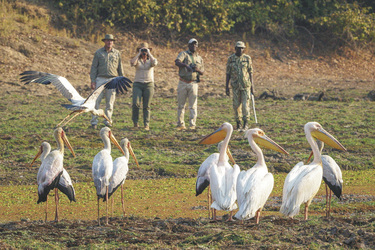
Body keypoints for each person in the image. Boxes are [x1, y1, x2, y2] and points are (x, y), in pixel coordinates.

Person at [89, 34, 124, 129]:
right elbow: (94, 67)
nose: (109, 42)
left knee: (110, 102)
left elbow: (120, 67)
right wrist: (93, 80)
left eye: (111, 41)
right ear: (104, 41)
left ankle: (108, 121)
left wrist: (121, 80)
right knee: (96, 101)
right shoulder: (98, 53)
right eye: (108, 40)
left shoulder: (117, 53)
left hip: (113, 79)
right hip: (100, 79)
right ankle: (94, 122)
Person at [175, 38, 204, 130]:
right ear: (189, 45)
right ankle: (181, 124)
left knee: (193, 105)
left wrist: (197, 70)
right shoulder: (184, 54)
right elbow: (177, 62)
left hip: (193, 83)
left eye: (195, 45)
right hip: (183, 82)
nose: (194, 46)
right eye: (192, 44)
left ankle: (192, 124)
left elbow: (202, 72)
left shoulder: (199, 58)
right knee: (181, 105)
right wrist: (186, 65)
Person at [225, 41, 254, 130]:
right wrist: (226, 86)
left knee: (245, 105)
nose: (240, 50)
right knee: (236, 105)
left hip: (245, 85)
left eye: (242, 48)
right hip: (235, 85)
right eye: (238, 48)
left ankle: (246, 123)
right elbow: (228, 73)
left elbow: (250, 72)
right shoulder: (231, 59)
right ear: (235, 48)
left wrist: (252, 86)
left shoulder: (247, 58)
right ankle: (238, 123)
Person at [130, 42, 158, 131]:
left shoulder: (151, 60)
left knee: (147, 105)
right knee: (136, 104)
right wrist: (138, 53)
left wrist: (149, 53)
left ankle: (146, 124)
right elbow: (132, 63)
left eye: (145, 50)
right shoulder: (137, 59)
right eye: (143, 50)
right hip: (138, 83)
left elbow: (155, 63)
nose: (144, 52)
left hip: (149, 84)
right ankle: (135, 123)